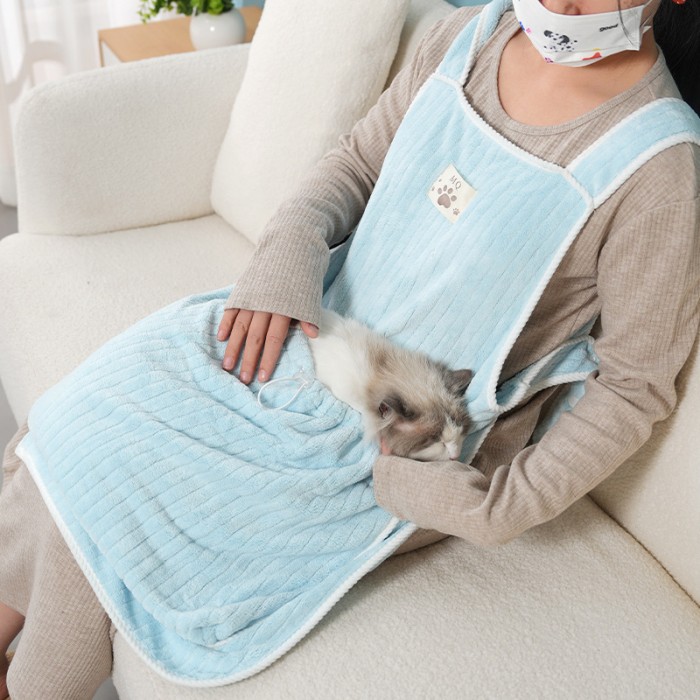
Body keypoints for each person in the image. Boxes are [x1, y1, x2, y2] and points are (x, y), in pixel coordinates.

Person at [1, 0, 698, 696]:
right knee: (65, 428)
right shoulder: (465, 39)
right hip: (304, 338)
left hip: (391, 442)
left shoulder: (658, 171)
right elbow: (357, 163)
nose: (563, 5)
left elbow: (634, 386)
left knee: (95, 523)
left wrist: (498, 508)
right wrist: (288, 249)